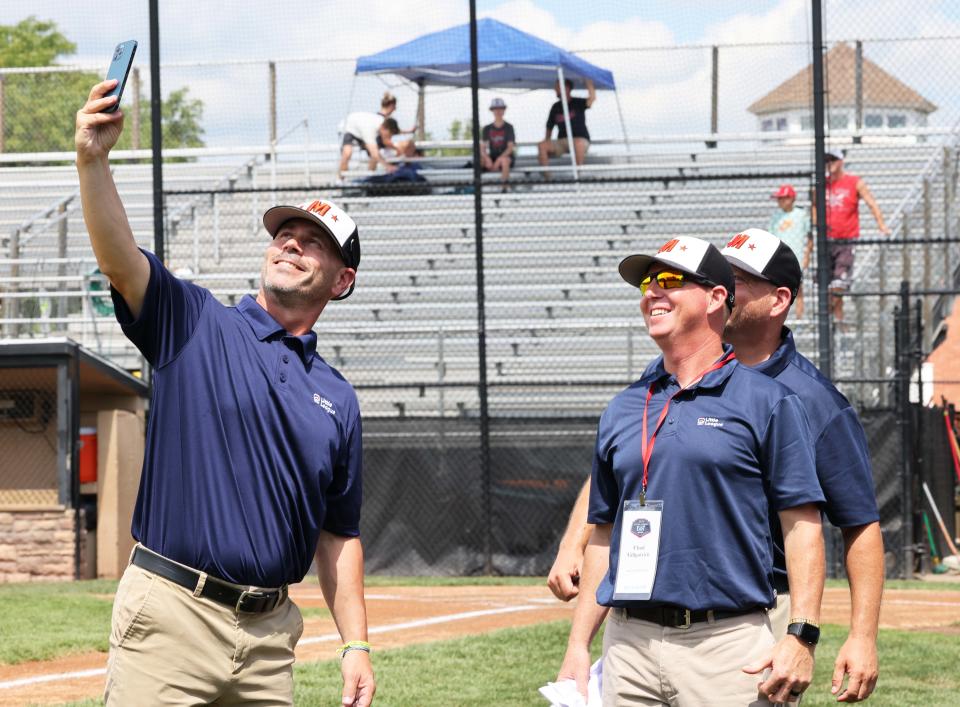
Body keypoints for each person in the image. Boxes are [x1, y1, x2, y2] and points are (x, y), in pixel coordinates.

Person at [76, 79, 375, 706]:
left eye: (312, 240)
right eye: (283, 234)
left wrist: (356, 645)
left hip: (269, 643)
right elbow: (120, 259)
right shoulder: (196, 323)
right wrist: (93, 160)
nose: (290, 242)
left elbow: (339, 535)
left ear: (341, 279)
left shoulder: (338, 399)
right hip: (170, 620)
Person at [549, 228, 883, 703]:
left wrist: (852, 635)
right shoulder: (655, 381)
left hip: (756, 608)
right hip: (640, 621)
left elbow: (856, 522)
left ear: (777, 299)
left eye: (741, 277)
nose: (655, 293)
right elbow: (629, 471)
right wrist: (573, 546)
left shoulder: (808, 400)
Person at [819, 148, 891, 322]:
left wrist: (881, 225)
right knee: (828, 285)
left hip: (846, 240)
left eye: (833, 160)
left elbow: (871, 203)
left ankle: (827, 318)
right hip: (826, 241)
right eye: (827, 160)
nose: (830, 163)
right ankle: (837, 324)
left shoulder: (854, 182)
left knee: (838, 286)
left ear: (841, 161)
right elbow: (815, 206)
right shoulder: (822, 184)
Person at [768, 184, 812, 317]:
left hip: (797, 258)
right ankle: (780, 318)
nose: (779, 201)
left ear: (791, 198)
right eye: (778, 198)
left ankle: (799, 319)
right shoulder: (775, 217)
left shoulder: (801, 215)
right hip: (779, 260)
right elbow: (771, 238)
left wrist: (807, 255)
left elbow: (810, 236)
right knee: (778, 290)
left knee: (798, 290)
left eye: (782, 198)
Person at [538, 78, 596, 174]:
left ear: (567, 88)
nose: (555, 89)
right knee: (542, 145)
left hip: (580, 139)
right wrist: (547, 139)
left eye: (558, 87)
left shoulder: (577, 102)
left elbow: (592, 99)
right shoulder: (555, 107)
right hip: (562, 141)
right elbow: (549, 126)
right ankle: (547, 178)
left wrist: (588, 82)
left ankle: (578, 176)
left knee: (579, 144)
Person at [481, 97, 516, 186]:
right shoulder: (487, 128)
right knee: (480, 159)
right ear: (492, 111)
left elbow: (510, 148)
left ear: (504, 110)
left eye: (500, 108)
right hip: (492, 156)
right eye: (495, 109)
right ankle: (478, 187)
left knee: (504, 161)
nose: (498, 111)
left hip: (505, 156)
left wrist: (499, 160)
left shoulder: (509, 127)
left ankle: (504, 188)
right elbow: (482, 148)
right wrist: (487, 158)